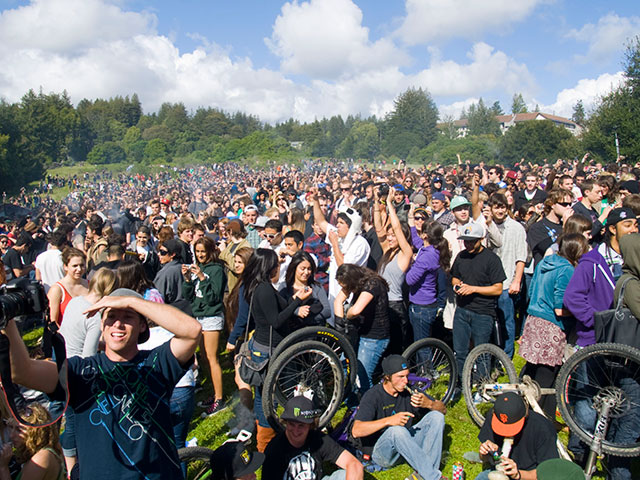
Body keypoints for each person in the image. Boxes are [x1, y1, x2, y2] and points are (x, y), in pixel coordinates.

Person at [2, 288, 202, 480]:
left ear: (142, 325)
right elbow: (21, 372)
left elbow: (192, 331)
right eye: (111, 316)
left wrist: (130, 301)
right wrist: (7, 318)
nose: (118, 324)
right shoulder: (79, 371)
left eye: (128, 317)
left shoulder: (157, 364)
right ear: (101, 324)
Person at [243, 248, 312, 452]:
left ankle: (265, 438)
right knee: (269, 396)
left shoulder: (261, 286)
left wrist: (294, 301)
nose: (278, 268)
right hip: (269, 350)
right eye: (276, 265)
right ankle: (266, 443)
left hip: (264, 346)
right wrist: (298, 302)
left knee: (263, 395)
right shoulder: (264, 289)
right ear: (268, 267)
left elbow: (278, 310)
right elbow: (276, 320)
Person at [519, 234, 588, 418]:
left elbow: (532, 290)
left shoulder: (545, 262)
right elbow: (560, 308)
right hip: (551, 326)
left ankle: (521, 408)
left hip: (533, 319)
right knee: (547, 376)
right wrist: (582, 312)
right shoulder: (567, 270)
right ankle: (543, 419)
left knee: (531, 368)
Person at [351, 354, 446, 480]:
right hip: (381, 453)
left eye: (407, 376)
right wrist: (389, 421)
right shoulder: (373, 396)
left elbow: (443, 410)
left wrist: (429, 404)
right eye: (400, 377)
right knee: (397, 430)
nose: (406, 381)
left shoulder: (409, 391)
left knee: (436, 417)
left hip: (406, 447)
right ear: (387, 377)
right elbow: (356, 431)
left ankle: (424, 473)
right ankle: (433, 477)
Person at [451, 222, 506, 382]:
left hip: (483, 313)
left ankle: (482, 385)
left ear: (481, 239)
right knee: (460, 351)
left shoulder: (491, 259)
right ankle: (460, 383)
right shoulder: (461, 256)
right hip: (462, 310)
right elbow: (455, 276)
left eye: (471, 241)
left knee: (481, 352)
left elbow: (497, 288)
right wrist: (457, 286)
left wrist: (473, 289)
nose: (467, 244)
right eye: (465, 241)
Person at [262, 396, 364, 479]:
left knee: (345, 475)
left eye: (301, 425)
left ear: (310, 425)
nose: (296, 431)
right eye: (291, 424)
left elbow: (354, 465)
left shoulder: (318, 439)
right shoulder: (274, 450)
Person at [182, 236, 227, 417]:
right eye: (197, 251)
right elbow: (190, 296)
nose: (200, 255)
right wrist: (187, 279)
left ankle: (220, 399)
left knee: (212, 357)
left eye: (203, 251)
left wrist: (202, 277)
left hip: (212, 317)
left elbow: (213, 297)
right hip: (199, 316)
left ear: (210, 252)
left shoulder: (216, 270)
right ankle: (214, 393)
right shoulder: (199, 269)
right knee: (204, 357)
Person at [475, 392, 558, 480]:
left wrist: (518, 474)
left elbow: (548, 473)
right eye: (501, 427)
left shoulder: (542, 429)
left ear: (524, 417)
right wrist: (484, 453)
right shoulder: (494, 417)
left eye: (511, 427)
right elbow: (486, 458)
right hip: (498, 472)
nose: (506, 432)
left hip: (528, 476)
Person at [334, 264, 390, 393]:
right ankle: (351, 400)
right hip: (360, 332)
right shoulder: (356, 283)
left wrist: (346, 315)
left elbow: (355, 311)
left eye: (345, 286)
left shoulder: (372, 284)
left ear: (351, 280)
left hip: (374, 337)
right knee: (345, 366)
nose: (345, 289)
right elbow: (338, 302)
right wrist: (340, 325)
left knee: (363, 375)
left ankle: (368, 406)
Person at [311, 192, 370, 308]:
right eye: (337, 222)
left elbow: (344, 267)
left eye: (341, 223)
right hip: (333, 295)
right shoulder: (339, 236)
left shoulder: (360, 244)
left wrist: (334, 244)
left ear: (352, 226)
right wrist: (315, 201)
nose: (337, 226)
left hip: (349, 300)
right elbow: (320, 221)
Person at [374, 187, 414, 353]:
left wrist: (390, 203)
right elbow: (378, 228)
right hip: (380, 303)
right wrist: (377, 201)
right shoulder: (387, 251)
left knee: (395, 347)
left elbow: (398, 229)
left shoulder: (405, 254)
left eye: (393, 236)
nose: (389, 238)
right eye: (388, 235)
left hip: (395, 306)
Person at [0, 404, 66, 480]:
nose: (12, 435)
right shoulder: (46, 449)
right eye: (11, 427)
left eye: (19, 430)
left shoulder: (40, 459)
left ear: (36, 432)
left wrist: (3, 468)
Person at [280, 251, 331, 327]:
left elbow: (327, 311)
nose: (306, 272)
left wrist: (308, 320)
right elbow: (281, 309)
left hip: (314, 330)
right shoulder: (284, 287)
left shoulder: (317, 287)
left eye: (309, 269)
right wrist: (297, 311)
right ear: (294, 268)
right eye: (303, 269)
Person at [47, 248, 89, 327]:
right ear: (65, 266)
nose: (79, 269)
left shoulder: (90, 285)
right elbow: (52, 322)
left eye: (82, 265)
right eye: (75, 266)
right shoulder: (57, 289)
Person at [597, 207, 638, 281]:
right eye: (628, 225)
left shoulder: (636, 252)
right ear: (613, 229)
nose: (634, 230)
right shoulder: (599, 256)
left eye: (636, 226)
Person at [153, 238, 186, 306]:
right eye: (159, 251)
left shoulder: (165, 273)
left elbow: (157, 297)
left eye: (163, 252)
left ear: (172, 255)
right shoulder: (184, 268)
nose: (159, 254)